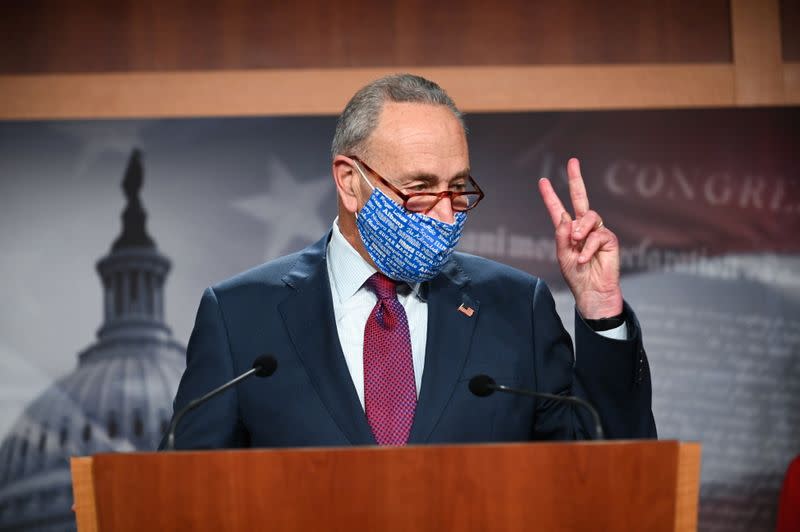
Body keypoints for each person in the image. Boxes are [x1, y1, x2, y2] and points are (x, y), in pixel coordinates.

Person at [163, 74, 656, 449]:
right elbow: (186, 491)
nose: (444, 214)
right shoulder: (240, 317)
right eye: (419, 188)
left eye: (457, 188)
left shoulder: (515, 306)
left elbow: (601, 466)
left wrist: (601, 310)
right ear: (350, 182)